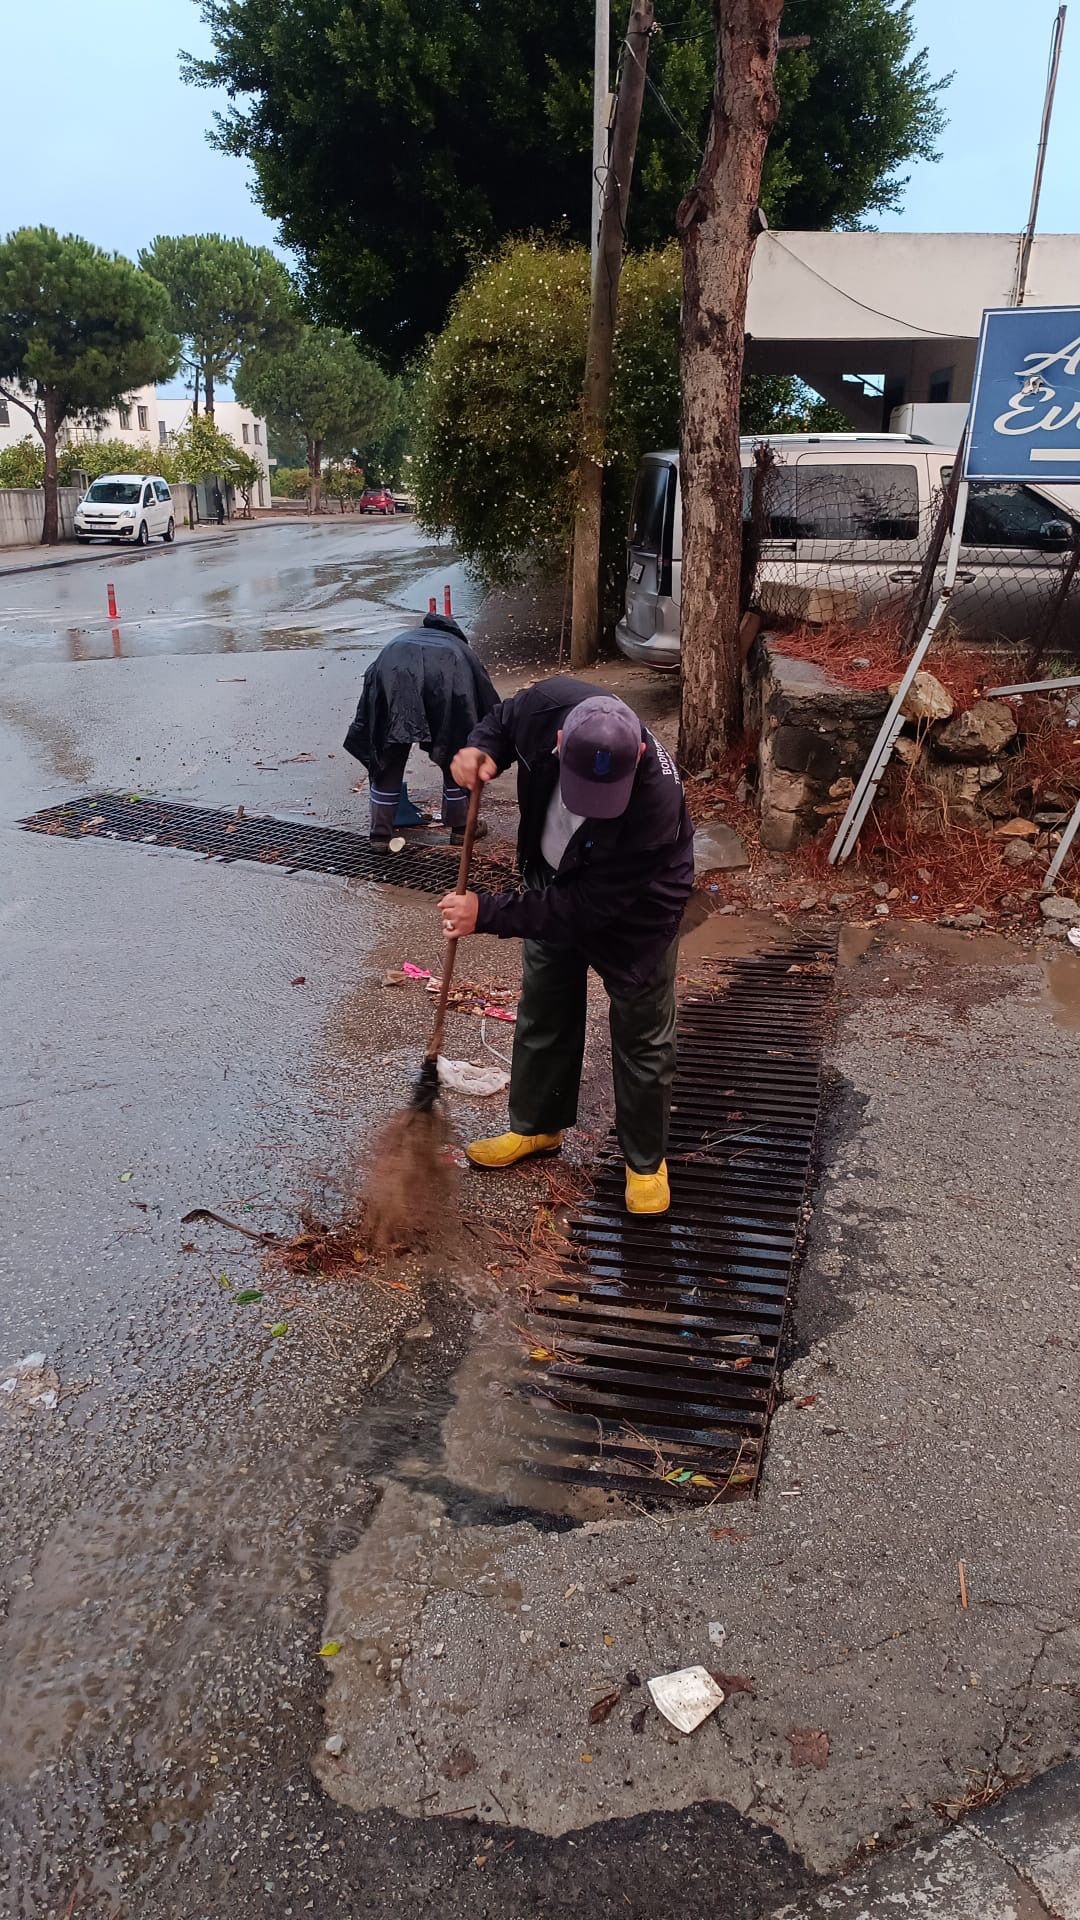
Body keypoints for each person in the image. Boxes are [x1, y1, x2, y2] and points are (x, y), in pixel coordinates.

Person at [439, 679, 694, 1216]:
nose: (596, 807)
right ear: (557, 740)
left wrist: (486, 912)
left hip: (636, 912)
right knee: (546, 1002)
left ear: (642, 752)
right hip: (551, 875)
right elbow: (502, 723)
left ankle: (646, 1162)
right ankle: (537, 1127)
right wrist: (481, 748)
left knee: (643, 1033)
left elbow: (582, 909)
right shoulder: (547, 706)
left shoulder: (656, 804)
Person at [344, 611, 499, 848]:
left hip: (395, 675)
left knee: (388, 751)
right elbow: (485, 696)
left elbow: (372, 685)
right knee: (456, 750)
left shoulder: (400, 641)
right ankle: (461, 828)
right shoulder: (461, 650)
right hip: (448, 681)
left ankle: (380, 835)